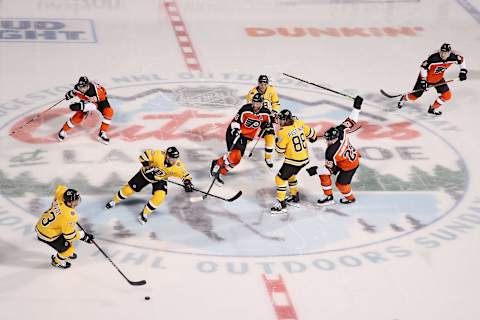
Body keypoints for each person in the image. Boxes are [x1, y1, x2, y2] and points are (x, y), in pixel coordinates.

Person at [106, 146, 194, 224]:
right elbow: (143, 156)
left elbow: (186, 175)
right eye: (172, 158)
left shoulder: (178, 166)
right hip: (144, 175)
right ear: (167, 156)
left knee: (160, 196)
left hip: (160, 179)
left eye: (176, 158)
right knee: (129, 190)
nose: (174, 161)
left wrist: (188, 183)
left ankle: (144, 214)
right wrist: (148, 167)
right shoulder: (159, 155)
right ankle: (114, 201)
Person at [306, 96, 363, 205]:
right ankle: (328, 196)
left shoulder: (331, 152)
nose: (327, 141)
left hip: (349, 166)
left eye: (329, 140)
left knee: (339, 184)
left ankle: (348, 198)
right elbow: (352, 120)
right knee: (324, 173)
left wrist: (315, 170)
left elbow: (329, 170)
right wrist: (357, 107)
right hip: (349, 158)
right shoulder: (340, 131)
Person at [210, 93, 271, 185]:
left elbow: (266, 122)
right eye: (254, 102)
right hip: (234, 133)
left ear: (261, 104)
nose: (255, 105)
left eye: (257, 103)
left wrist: (265, 125)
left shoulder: (265, 112)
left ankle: (220, 172)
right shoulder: (245, 109)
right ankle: (216, 164)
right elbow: (235, 121)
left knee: (236, 160)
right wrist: (236, 130)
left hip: (246, 137)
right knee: (235, 156)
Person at [397, 43, 467, 115]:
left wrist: (463, 71)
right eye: (441, 52)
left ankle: (432, 108)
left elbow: (461, 60)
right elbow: (423, 68)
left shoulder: (453, 57)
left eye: (445, 53)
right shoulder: (433, 58)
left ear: (449, 53)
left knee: (447, 96)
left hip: (439, 79)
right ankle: (404, 98)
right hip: (426, 79)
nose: (443, 54)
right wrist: (424, 81)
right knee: (413, 97)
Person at [35, 186, 94, 269]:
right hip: (48, 235)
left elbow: (60, 188)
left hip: (41, 225)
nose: (77, 202)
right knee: (68, 250)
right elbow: (69, 236)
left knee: (68, 241)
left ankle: (65, 251)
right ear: (69, 202)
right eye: (75, 201)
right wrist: (82, 235)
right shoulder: (69, 215)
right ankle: (56, 262)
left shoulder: (60, 196)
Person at [271, 109, 317, 214]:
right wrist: (313, 138)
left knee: (279, 179)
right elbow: (312, 133)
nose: (280, 122)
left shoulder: (283, 132)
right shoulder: (298, 123)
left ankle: (281, 205)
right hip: (304, 159)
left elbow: (279, 151)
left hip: (293, 161)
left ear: (286, 120)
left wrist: (277, 141)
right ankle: (295, 197)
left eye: (281, 119)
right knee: (291, 176)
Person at [58, 76, 115, 144]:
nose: (82, 89)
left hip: (100, 100)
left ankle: (102, 133)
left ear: (88, 86)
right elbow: (74, 92)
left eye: (84, 87)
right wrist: (69, 94)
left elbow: (95, 104)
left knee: (109, 112)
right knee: (78, 116)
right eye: (80, 87)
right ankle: (64, 130)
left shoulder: (96, 91)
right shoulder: (78, 88)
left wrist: (80, 106)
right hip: (88, 101)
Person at [246, 75, 281, 167]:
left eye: (264, 83)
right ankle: (238, 149)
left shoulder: (271, 90)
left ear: (267, 84)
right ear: (258, 83)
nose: (262, 85)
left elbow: (276, 103)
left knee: (270, 137)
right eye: (261, 83)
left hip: (266, 117)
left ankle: (268, 158)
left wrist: (274, 112)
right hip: (255, 117)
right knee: (247, 137)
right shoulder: (252, 93)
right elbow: (250, 108)